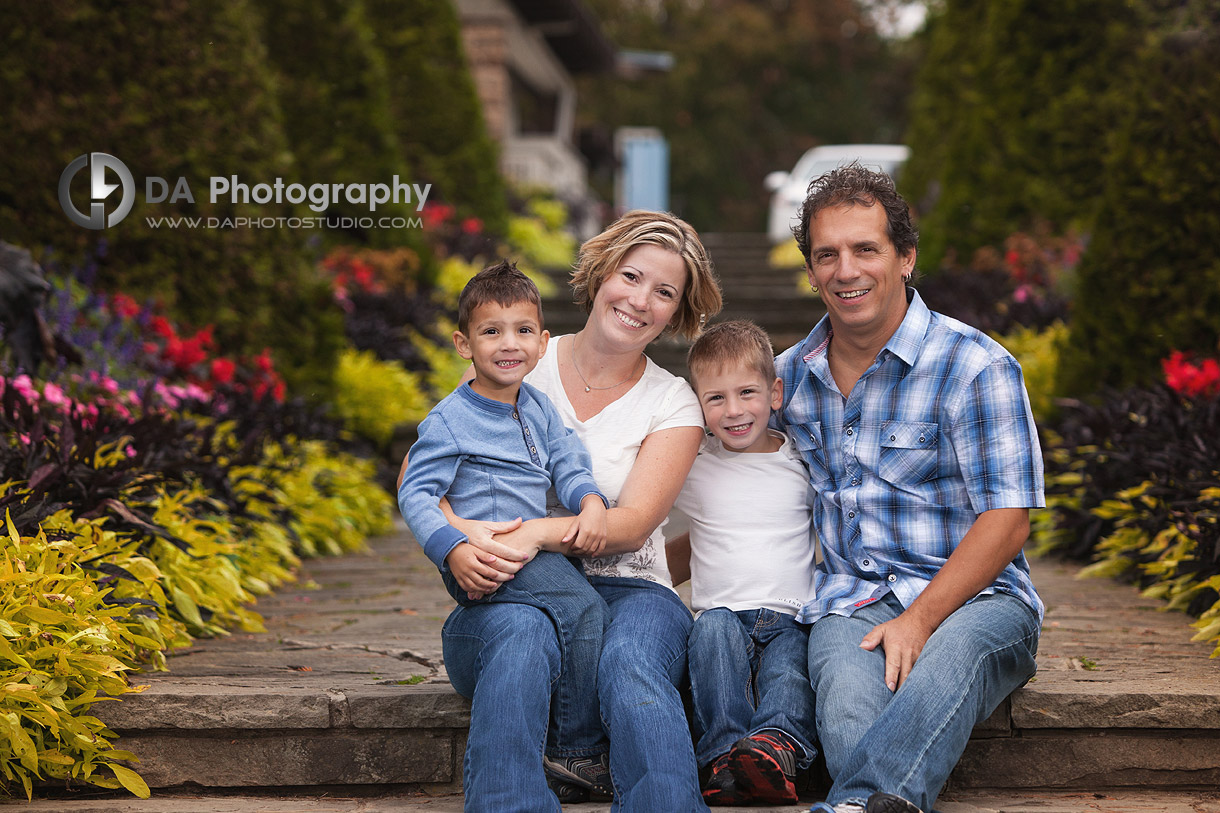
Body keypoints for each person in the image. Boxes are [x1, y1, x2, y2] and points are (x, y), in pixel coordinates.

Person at [407, 209, 724, 812]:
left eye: (664, 292)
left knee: (630, 658)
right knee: (522, 635)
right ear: (602, 274)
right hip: (512, 591)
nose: (640, 300)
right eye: (631, 277)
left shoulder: (671, 401)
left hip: (633, 592)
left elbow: (631, 524)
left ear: (678, 310)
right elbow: (425, 467)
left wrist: (534, 533)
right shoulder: (520, 352)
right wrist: (464, 534)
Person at [774, 164, 1045, 813]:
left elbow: (1008, 521)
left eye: (866, 248)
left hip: (981, 598)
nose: (846, 270)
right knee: (845, 717)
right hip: (853, 598)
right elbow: (729, 491)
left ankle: (856, 801)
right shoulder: (786, 382)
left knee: (951, 653)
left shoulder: (975, 366)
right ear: (811, 269)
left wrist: (920, 619)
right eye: (827, 254)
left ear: (905, 257)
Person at [397, 260, 613, 809]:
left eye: (521, 331)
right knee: (584, 609)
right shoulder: (450, 419)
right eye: (491, 331)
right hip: (485, 558)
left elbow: (568, 459)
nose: (507, 344)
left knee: (538, 623)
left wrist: (589, 500)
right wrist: (453, 548)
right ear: (463, 343)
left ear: (542, 343)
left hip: (527, 558)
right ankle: (578, 749)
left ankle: (554, 756)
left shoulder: (537, 406)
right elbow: (416, 493)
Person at [669, 319, 818, 806]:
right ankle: (724, 757)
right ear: (698, 403)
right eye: (715, 398)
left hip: (789, 612)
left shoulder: (801, 460)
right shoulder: (694, 463)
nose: (733, 411)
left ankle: (778, 748)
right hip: (720, 613)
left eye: (747, 393)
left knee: (791, 670)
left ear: (775, 393)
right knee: (708, 640)